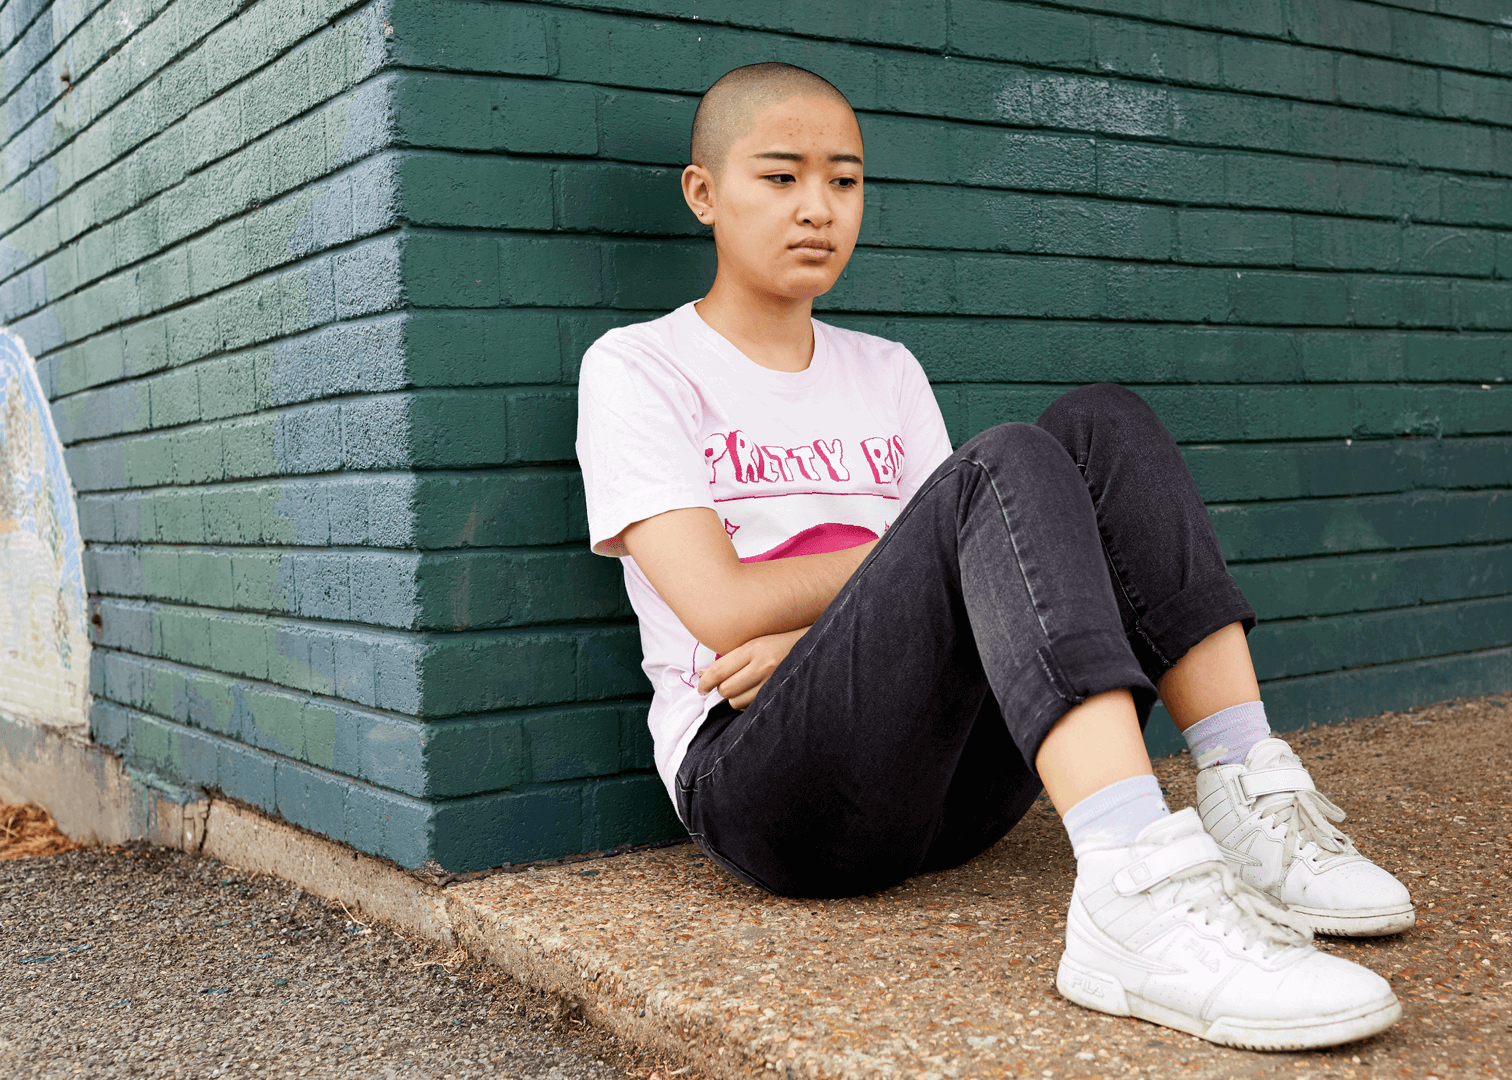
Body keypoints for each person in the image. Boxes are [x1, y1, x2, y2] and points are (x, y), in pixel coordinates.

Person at [575, 62, 1414, 1052]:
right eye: (782, 177)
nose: (819, 209)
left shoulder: (884, 370)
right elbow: (718, 607)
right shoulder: (638, 367)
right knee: (1002, 465)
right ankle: (1127, 888)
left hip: (952, 791)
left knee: (1101, 421)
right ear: (705, 193)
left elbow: (966, 575)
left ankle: (1242, 786)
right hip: (766, 788)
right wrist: (885, 580)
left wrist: (812, 632)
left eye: (844, 181)